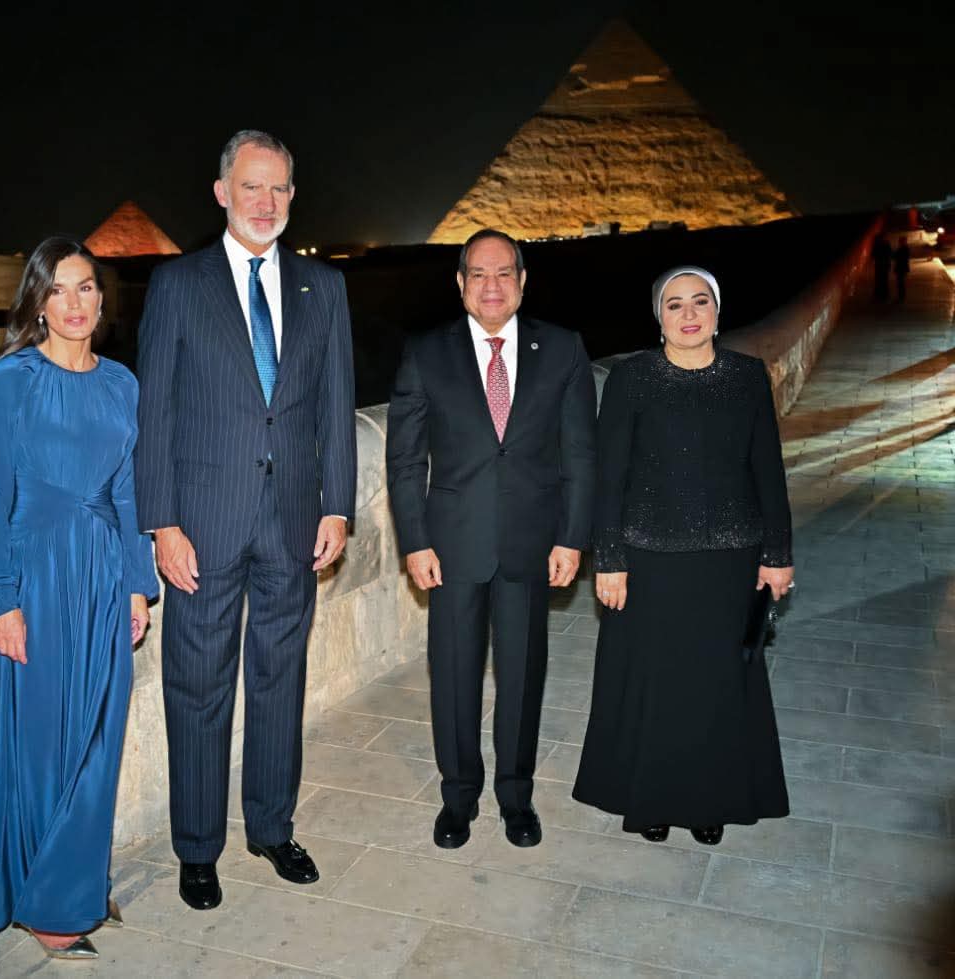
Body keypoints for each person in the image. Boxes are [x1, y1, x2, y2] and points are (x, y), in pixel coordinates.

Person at [0, 236, 158, 959]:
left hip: (102, 577)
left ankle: (68, 882)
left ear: (102, 301)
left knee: (95, 741)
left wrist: (137, 585)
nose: (74, 303)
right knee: (34, 742)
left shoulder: (121, 383)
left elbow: (126, 492)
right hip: (37, 577)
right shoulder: (12, 380)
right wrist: (0, 600)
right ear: (38, 304)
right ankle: (39, 899)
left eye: (86, 288)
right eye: (58, 290)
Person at [136, 131, 356, 910]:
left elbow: (335, 403)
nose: (267, 202)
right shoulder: (178, 283)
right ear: (222, 192)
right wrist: (161, 522)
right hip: (203, 523)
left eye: (280, 188)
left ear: (293, 196)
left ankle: (271, 826)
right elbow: (155, 410)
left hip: (293, 519)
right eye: (252, 186)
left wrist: (338, 505)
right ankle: (199, 846)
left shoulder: (323, 286)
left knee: (279, 679)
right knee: (197, 685)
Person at [385, 229, 597, 851]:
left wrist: (572, 538)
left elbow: (580, 454)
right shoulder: (426, 353)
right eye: (478, 274)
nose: (492, 285)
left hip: (533, 543)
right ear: (460, 284)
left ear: (523, 281)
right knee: (453, 677)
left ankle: (516, 796)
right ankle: (458, 797)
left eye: (504, 272)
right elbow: (405, 460)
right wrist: (414, 542)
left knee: (523, 675)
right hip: (451, 546)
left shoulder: (562, 349)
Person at [573, 265, 794, 846]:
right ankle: (651, 798)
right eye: (675, 305)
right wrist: (609, 560)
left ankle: (709, 800)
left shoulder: (747, 376)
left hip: (731, 560)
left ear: (718, 312)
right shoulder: (632, 378)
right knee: (657, 681)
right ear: (659, 316)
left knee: (718, 683)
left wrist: (777, 553)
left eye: (700, 302)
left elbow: (767, 469)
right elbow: (608, 476)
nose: (689, 314)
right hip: (650, 560)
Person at [893, 237, 912, 303]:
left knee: (900, 282)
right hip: (902, 267)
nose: (899, 243)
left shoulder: (903, 249)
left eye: (900, 241)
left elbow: (897, 256)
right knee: (900, 282)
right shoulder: (904, 248)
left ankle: (901, 296)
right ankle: (901, 296)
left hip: (901, 268)